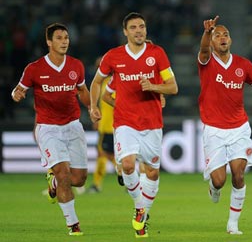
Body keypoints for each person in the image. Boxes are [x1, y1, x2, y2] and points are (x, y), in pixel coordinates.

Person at [89, 12, 178, 238]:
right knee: (128, 165)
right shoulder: (114, 56)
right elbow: (99, 83)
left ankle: (142, 217)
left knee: (152, 173)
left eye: (142, 26)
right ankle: (139, 208)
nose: (139, 30)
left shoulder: (157, 54)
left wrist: (155, 88)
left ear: (146, 30)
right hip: (126, 123)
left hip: (152, 123)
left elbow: (173, 87)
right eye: (134, 27)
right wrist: (94, 106)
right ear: (125, 32)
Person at [198, 16, 252, 235]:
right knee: (219, 181)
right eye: (217, 35)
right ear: (212, 41)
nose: (222, 38)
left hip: (239, 128)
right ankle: (214, 188)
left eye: (225, 35)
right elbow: (204, 50)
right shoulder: (206, 60)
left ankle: (233, 224)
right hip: (214, 129)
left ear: (231, 40)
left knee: (239, 173)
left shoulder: (243, 64)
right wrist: (206, 33)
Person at [11, 23, 90, 236]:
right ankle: (73, 225)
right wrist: (16, 94)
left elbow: (82, 90)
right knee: (64, 174)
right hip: (48, 128)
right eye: (59, 38)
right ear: (49, 42)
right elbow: (18, 89)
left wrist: (91, 107)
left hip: (73, 126)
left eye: (66, 37)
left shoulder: (76, 66)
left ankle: (53, 182)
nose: (64, 41)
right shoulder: (34, 69)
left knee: (79, 179)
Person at [88, 57, 124, 193]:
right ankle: (128, 179)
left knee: (103, 154)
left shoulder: (106, 84)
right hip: (116, 125)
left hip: (108, 126)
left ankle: (98, 184)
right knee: (110, 155)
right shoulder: (117, 81)